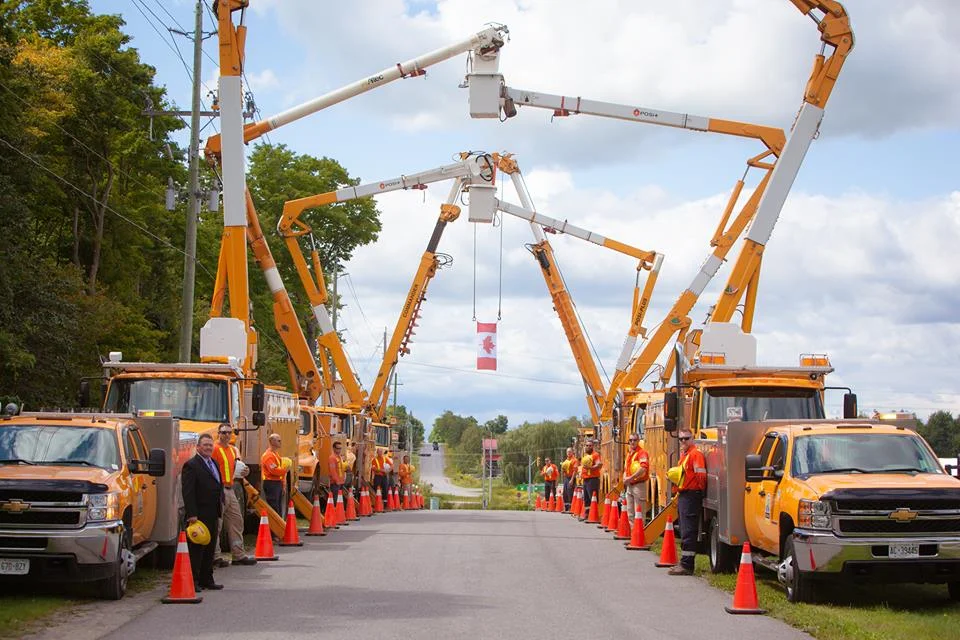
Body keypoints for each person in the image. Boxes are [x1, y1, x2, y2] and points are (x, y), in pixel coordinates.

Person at [181, 433, 224, 590]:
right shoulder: (191, 465)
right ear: (198, 447)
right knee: (197, 549)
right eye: (205, 445)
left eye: (210, 445)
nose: (208, 447)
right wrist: (192, 514)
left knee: (210, 548)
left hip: (213, 512)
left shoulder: (214, 463)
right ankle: (194, 581)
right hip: (199, 515)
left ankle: (208, 579)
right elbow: (188, 492)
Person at [213, 425, 256, 567]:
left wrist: (245, 471)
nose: (226, 435)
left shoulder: (232, 450)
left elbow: (236, 468)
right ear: (218, 433)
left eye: (229, 433)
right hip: (219, 490)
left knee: (236, 522)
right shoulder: (214, 449)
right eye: (223, 432)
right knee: (217, 525)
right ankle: (215, 556)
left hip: (230, 489)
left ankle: (238, 555)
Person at [669, 429, 707, 576]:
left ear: (692, 438)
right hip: (685, 494)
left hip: (691, 495)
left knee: (689, 530)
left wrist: (697, 491)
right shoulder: (685, 455)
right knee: (685, 529)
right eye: (681, 439)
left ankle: (687, 565)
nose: (683, 441)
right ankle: (684, 562)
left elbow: (701, 476)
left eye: (686, 438)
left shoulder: (695, 455)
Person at [623, 433, 650, 526]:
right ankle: (633, 537)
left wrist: (630, 478)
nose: (632, 442)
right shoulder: (629, 454)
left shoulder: (642, 453)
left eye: (634, 440)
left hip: (639, 485)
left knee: (639, 513)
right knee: (630, 512)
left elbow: (643, 468)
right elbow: (626, 468)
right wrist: (625, 478)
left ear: (638, 441)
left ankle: (639, 538)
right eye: (630, 440)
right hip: (630, 486)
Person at [260, 433, 286, 518]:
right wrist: (284, 471)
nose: (280, 442)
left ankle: (278, 528)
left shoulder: (275, 454)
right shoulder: (268, 456)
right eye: (278, 440)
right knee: (274, 507)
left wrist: (283, 484)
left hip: (276, 483)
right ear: (272, 441)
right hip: (271, 483)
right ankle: (274, 529)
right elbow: (273, 470)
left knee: (277, 507)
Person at [580, 440, 602, 516]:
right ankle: (587, 514)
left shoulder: (595, 455)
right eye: (587, 445)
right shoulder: (585, 456)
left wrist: (590, 468)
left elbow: (599, 464)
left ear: (593, 446)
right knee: (586, 498)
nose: (588, 447)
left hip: (592, 479)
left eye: (590, 446)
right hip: (585, 479)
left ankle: (594, 515)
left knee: (593, 497)